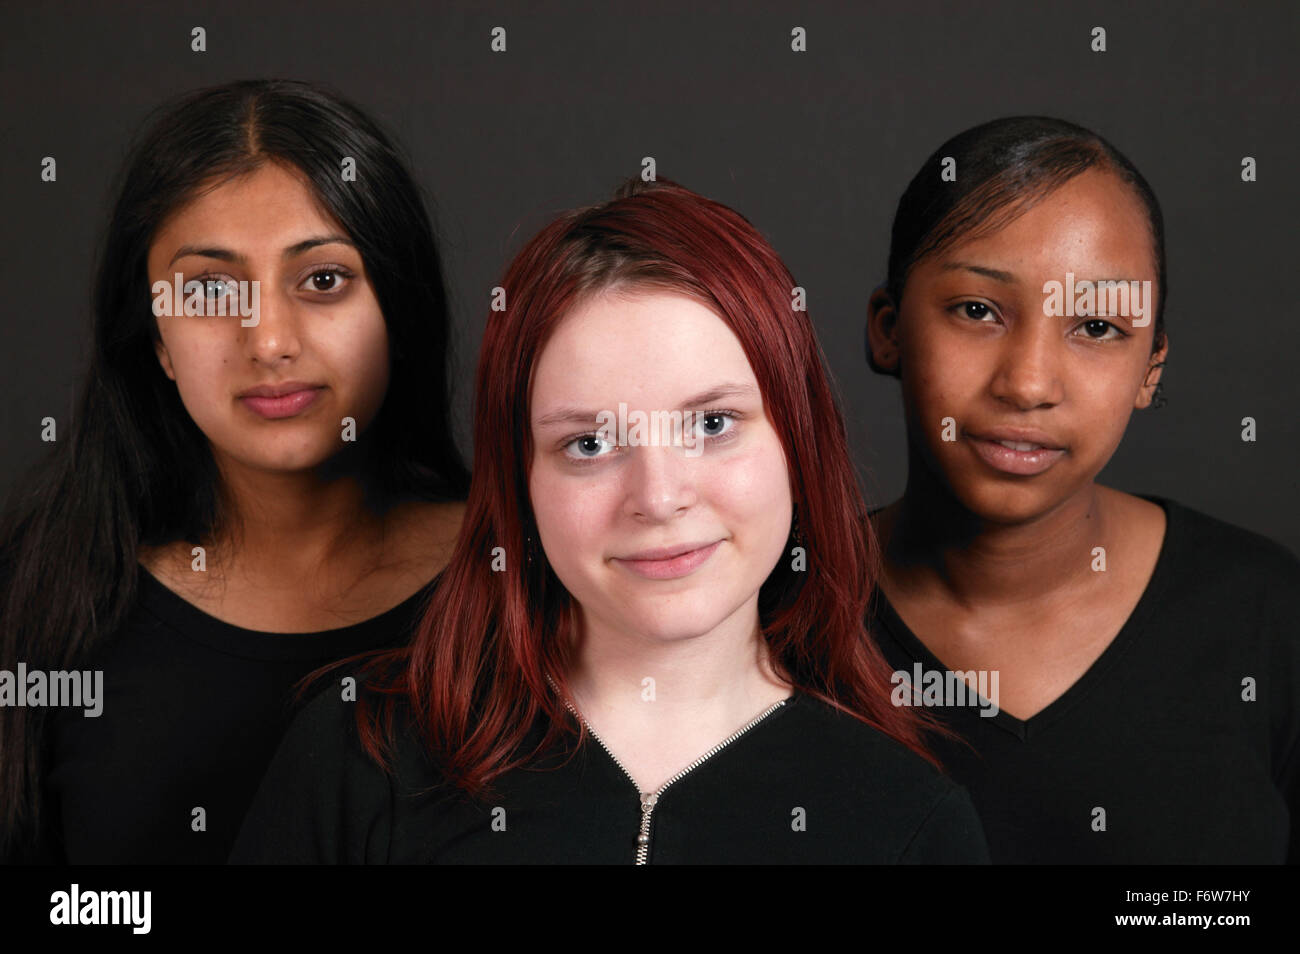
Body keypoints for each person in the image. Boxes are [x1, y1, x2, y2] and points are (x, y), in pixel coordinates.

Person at [230, 177, 989, 864]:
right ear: (518, 476)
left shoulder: (907, 821)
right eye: (589, 443)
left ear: (799, 437)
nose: (658, 497)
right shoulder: (362, 761)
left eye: (713, 424)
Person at [0, 80, 469, 864]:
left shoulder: (528, 579)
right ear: (155, 338)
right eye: (211, 289)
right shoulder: (42, 600)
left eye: (323, 279)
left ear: (398, 308)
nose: (270, 341)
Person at [864, 116, 1300, 863]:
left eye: (1096, 326)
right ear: (888, 328)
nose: (1029, 384)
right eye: (977, 310)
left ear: (1150, 371)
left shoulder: (1268, 620)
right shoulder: (773, 616)